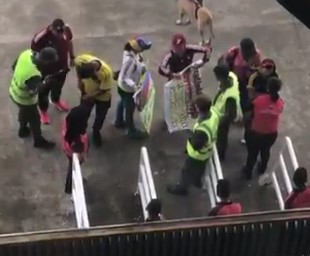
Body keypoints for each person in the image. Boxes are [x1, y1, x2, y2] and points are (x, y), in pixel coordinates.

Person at [167, 94, 220, 196]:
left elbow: (196, 145)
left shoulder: (202, 130)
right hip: (206, 152)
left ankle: (182, 188)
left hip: (197, 155)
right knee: (200, 169)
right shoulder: (213, 113)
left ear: (198, 109)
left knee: (186, 172)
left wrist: (191, 138)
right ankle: (196, 181)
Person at [9, 47, 57, 149]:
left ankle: (23, 130)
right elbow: (32, 92)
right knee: (34, 120)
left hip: (13, 91)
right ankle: (38, 141)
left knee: (23, 111)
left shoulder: (26, 53)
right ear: (46, 61)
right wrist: (44, 83)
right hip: (24, 99)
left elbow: (14, 67)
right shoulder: (34, 75)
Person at [31, 18, 75, 124]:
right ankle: (43, 111)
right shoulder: (40, 37)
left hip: (62, 67)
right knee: (43, 92)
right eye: (57, 33)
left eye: (62, 33)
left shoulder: (66, 30)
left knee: (58, 86)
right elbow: (34, 55)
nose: (60, 36)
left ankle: (55, 100)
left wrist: (72, 57)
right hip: (46, 72)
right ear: (52, 28)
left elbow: (69, 42)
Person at [242, 77, 284, 181]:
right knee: (265, 151)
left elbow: (248, 109)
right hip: (271, 134)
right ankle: (262, 169)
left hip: (255, 132)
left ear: (268, 88)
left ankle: (248, 172)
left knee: (252, 153)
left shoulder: (258, 100)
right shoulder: (280, 103)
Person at [114, 37, 152, 139]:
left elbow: (138, 64)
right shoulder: (129, 60)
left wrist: (143, 68)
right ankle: (131, 130)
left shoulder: (133, 53)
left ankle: (118, 121)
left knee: (122, 102)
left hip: (123, 88)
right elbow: (124, 77)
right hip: (127, 89)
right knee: (130, 109)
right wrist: (134, 86)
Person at [74, 54, 114, 147]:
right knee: (83, 113)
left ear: (95, 72)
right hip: (86, 92)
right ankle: (81, 130)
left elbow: (104, 89)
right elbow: (77, 66)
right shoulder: (82, 60)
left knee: (100, 115)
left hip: (102, 97)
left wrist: (90, 96)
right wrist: (80, 81)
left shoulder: (106, 72)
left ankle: (96, 131)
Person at [219, 38, 261, 115]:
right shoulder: (234, 52)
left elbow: (258, 66)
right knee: (232, 97)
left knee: (244, 98)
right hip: (234, 79)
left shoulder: (256, 54)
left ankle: (245, 114)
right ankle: (232, 113)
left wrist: (252, 71)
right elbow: (224, 62)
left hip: (246, 80)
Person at [212, 65, 242, 161]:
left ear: (220, 77)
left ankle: (220, 155)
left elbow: (231, 115)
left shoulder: (230, 98)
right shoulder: (231, 76)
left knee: (222, 137)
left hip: (222, 119)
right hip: (218, 113)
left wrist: (219, 122)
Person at [61, 104, 89, 195]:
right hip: (72, 153)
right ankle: (69, 186)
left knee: (72, 167)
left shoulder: (68, 123)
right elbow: (79, 156)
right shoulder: (78, 139)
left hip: (67, 149)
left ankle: (70, 183)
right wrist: (83, 156)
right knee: (73, 168)